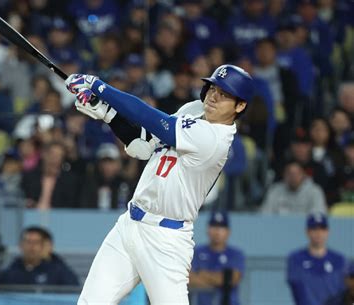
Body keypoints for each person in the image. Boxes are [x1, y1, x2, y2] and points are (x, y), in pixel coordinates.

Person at [63, 64, 254, 304]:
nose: (215, 96)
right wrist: (107, 114)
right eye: (214, 88)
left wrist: (99, 87)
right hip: (129, 224)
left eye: (225, 95)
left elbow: (153, 120)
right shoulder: (193, 109)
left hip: (166, 239)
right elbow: (144, 146)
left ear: (240, 105)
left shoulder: (216, 139)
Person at [287, 213, 346, 305]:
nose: (319, 233)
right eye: (314, 229)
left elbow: (343, 291)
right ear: (307, 231)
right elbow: (299, 290)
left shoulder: (339, 260)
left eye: (322, 229)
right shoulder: (296, 259)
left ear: (327, 231)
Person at [189, 211, 245, 305]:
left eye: (222, 227)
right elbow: (189, 279)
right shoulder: (197, 252)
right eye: (214, 226)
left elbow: (233, 279)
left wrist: (202, 274)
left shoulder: (236, 254)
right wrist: (219, 280)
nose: (217, 231)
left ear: (228, 231)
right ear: (208, 229)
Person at [0, 226, 79, 286]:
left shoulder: (59, 272)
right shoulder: (10, 272)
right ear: (20, 245)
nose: (31, 247)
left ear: (43, 246)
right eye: (28, 242)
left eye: (36, 242)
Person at [260, 160, 327, 214]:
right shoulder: (275, 190)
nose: (293, 177)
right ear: (284, 175)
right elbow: (265, 215)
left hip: (305, 229)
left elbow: (318, 216)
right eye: (289, 173)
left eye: (297, 173)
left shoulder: (315, 191)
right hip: (279, 228)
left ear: (303, 175)